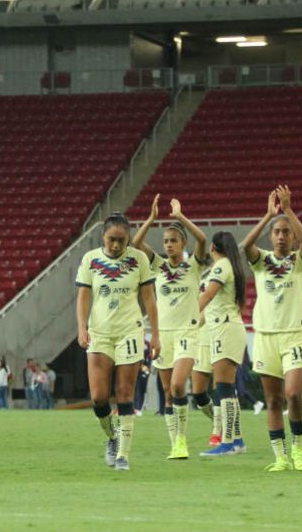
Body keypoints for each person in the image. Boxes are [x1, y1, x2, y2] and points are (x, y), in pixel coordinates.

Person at [75, 212, 160, 472]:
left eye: (121, 241)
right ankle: (112, 438)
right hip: (100, 333)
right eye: (112, 239)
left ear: (128, 240)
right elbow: (83, 297)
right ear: (103, 236)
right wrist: (81, 327)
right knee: (99, 397)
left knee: (125, 393)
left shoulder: (139, 260)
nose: (116, 245)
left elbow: (149, 299)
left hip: (130, 333)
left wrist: (155, 334)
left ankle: (123, 454)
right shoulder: (90, 260)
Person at [241, 185, 302, 472]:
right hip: (265, 337)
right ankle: (280, 457)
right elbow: (245, 247)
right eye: (277, 232)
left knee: (293, 394)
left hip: (294, 335)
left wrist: (289, 210)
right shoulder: (263, 262)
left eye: (286, 232)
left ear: (293, 236)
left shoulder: (299, 262)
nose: (282, 236)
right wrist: (268, 214)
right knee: (273, 400)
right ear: (271, 237)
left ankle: (298, 449)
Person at [132, 195, 208, 460]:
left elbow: (202, 240)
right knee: (167, 393)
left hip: (187, 333)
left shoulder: (193, 267)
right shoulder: (159, 266)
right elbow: (136, 243)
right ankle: (176, 444)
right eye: (165, 241)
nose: (169, 245)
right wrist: (151, 219)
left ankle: (183, 439)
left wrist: (180, 217)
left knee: (177, 386)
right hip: (163, 335)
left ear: (182, 243)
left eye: (174, 240)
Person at [197, 231, 249, 457]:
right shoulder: (232, 266)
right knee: (228, 387)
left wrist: (188, 315)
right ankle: (237, 439)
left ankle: (227, 443)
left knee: (223, 387)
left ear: (212, 248)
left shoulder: (221, 267)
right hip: (227, 328)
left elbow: (208, 295)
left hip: (225, 329)